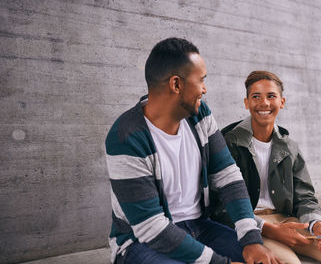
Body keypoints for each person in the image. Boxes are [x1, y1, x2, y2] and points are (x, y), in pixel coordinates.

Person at [105, 38, 282, 264]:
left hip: (200, 227)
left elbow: (228, 175)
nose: (205, 89)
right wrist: (220, 263)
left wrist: (251, 239)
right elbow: (151, 228)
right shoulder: (126, 137)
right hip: (141, 243)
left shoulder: (200, 115)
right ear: (176, 84)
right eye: (201, 80)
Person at [211, 70, 321, 264]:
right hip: (252, 225)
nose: (264, 103)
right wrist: (269, 229)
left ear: (282, 102)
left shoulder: (289, 146)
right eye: (256, 96)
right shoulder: (228, 143)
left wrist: (317, 224)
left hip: (287, 221)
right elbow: (220, 206)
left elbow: (305, 196)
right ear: (246, 102)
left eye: (271, 96)